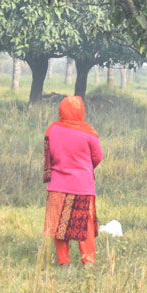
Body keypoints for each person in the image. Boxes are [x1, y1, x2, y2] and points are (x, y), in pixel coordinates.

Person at [42, 95, 103, 266]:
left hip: (56, 187)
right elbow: (98, 156)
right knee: (85, 227)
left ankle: (63, 262)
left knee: (59, 228)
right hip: (82, 187)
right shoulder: (88, 132)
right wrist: (84, 168)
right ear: (80, 111)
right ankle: (89, 262)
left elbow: (50, 155)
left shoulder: (52, 129)